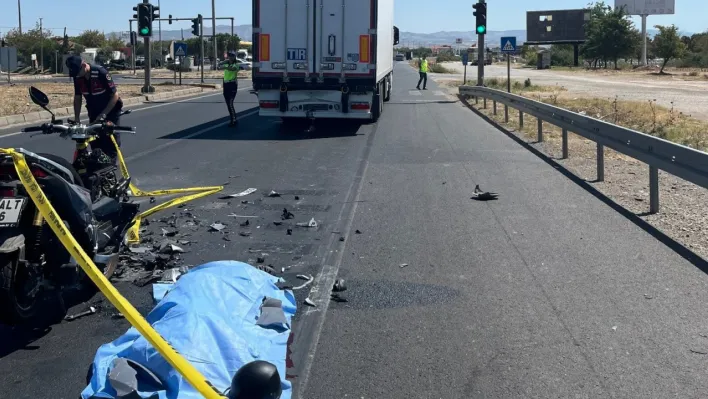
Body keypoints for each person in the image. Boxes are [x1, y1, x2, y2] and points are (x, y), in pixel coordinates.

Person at [65, 55, 124, 162]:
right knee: (94, 139)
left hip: (110, 110)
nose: (77, 75)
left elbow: (115, 95)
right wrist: (77, 118)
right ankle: (98, 165)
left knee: (110, 139)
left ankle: (111, 167)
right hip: (93, 111)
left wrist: (104, 114)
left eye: (78, 72)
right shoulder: (77, 77)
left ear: (84, 65)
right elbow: (78, 97)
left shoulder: (100, 72)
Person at [222, 51, 240, 127]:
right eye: (229, 56)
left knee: (230, 103)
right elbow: (219, 66)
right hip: (226, 85)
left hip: (232, 85)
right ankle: (233, 118)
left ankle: (234, 120)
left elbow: (232, 69)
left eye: (232, 56)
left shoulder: (236, 65)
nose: (230, 57)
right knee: (228, 104)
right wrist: (223, 64)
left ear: (234, 57)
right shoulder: (226, 63)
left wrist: (225, 66)